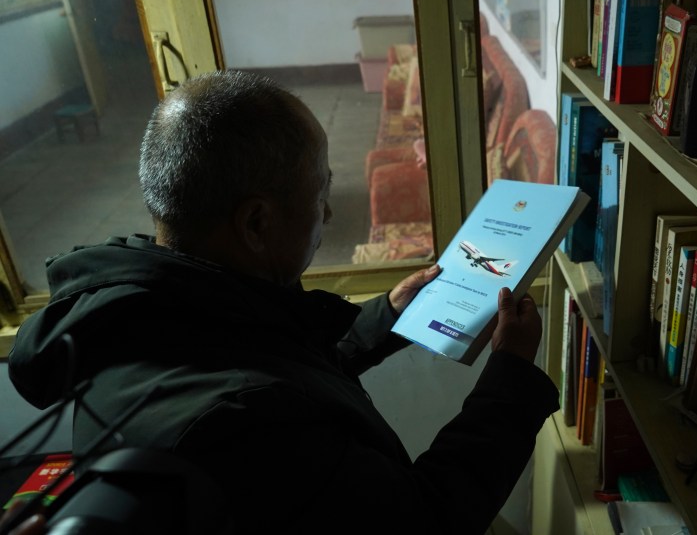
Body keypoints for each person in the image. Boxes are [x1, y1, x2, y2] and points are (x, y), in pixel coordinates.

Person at [8, 70, 560, 533]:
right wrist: (511, 374)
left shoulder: (140, 310)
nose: (328, 215)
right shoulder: (245, 427)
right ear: (256, 223)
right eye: (321, 195)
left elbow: (276, 363)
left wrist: (388, 315)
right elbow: (426, 518)